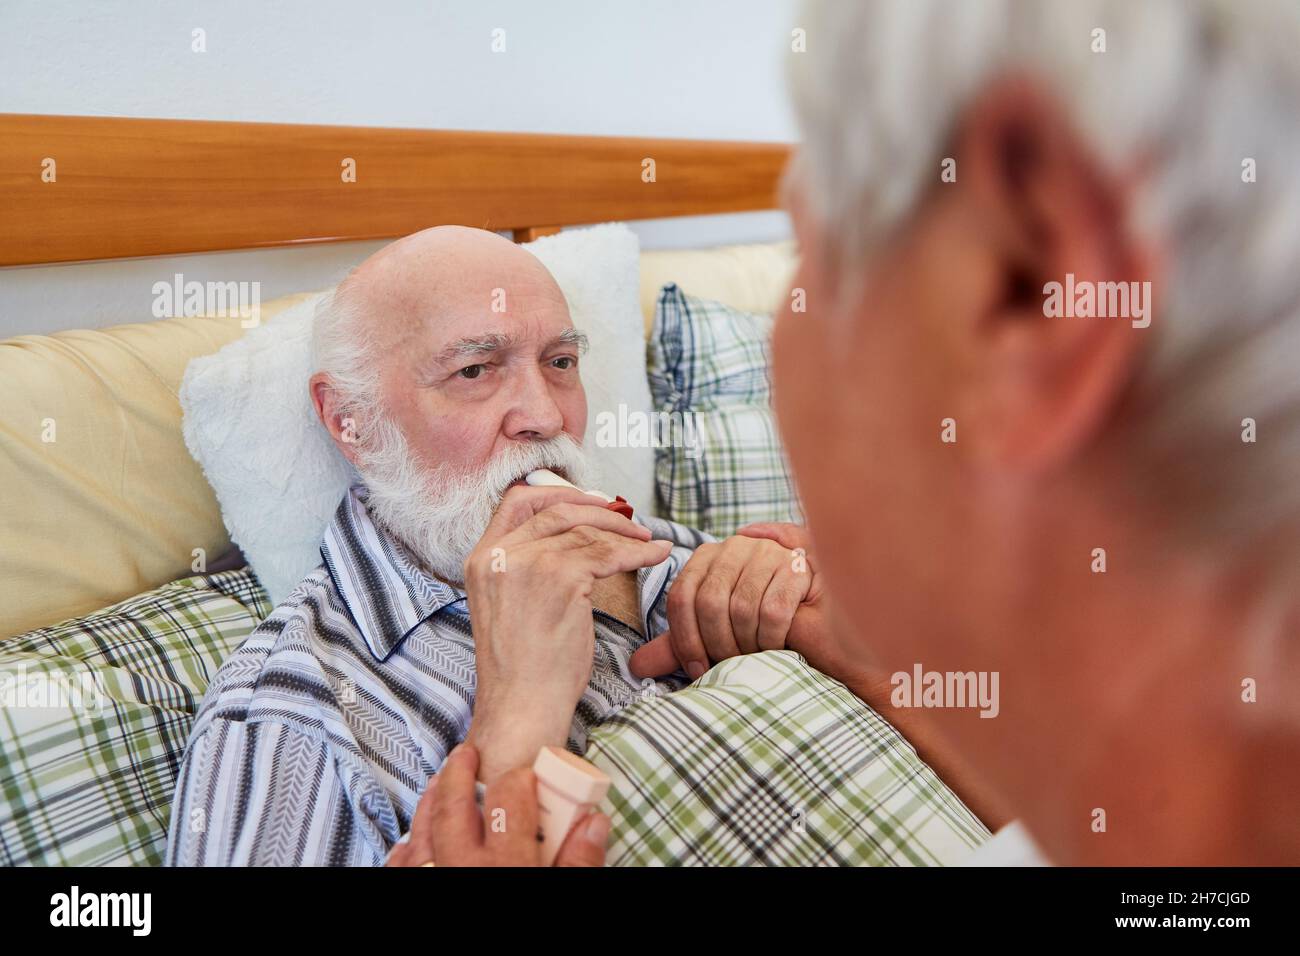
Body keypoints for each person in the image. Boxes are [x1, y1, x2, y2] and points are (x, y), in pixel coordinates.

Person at [164, 226, 835, 866]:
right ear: (352, 422)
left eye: (561, 362)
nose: (546, 417)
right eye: (476, 370)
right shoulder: (295, 719)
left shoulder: (650, 545)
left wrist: (818, 603)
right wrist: (515, 716)